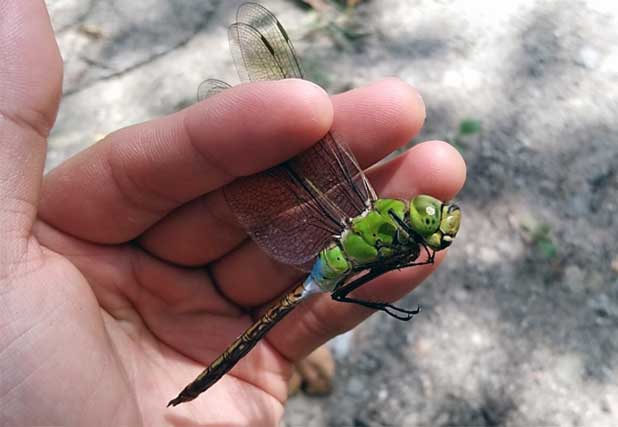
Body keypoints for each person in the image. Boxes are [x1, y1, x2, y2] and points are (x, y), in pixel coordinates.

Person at [0, 1, 466, 425]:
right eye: (432, 219)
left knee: (347, 288)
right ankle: (196, 387)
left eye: (434, 222)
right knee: (298, 128)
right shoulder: (392, 229)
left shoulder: (398, 232)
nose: (433, 220)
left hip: (332, 269)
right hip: (329, 269)